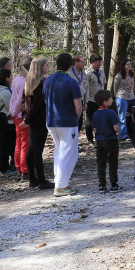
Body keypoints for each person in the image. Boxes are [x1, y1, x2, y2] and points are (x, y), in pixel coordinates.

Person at [43, 53, 83, 196]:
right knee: (69, 155)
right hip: (67, 121)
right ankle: (61, 186)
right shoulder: (72, 82)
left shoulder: (47, 81)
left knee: (59, 153)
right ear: (70, 65)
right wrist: (76, 119)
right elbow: (78, 107)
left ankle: (59, 182)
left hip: (51, 121)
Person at [23, 57, 52, 189]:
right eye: (46, 65)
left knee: (32, 149)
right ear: (40, 67)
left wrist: (27, 118)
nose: (48, 67)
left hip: (33, 120)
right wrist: (27, 119)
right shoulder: (41, 83)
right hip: (39, 120)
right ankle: (41, 181)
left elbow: (28, 104)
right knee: (37, 151)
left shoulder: (29, 81)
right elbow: (36, 105)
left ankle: (33, 180)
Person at [0, 69, 17, 174]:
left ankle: (2, 166)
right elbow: (12, 108)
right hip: (7, 123)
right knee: (7, 146)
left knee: (1, 144)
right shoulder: (4, 92)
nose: (12, 78)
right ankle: (5, 168)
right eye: (11, 76)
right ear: (6, 78)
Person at [92, 89, 121, 193]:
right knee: (112, 162)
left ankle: (102, 185)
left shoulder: (95, 114)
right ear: (105, 101)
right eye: (110, 99)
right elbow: (116, 128)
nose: (112, 100)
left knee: (101, 163)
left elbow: (94, 129)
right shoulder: (111, 113)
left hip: (99, 140)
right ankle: (114, 184)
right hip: (111, 139)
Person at [9, 57, 32, 178]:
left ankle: (19, 168)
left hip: (16, 115)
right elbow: (18, 100)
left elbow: (13, 97)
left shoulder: (17, 78)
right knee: (25, 144)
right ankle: (25, 170)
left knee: (19, 143)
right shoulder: (25, 81)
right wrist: (14, 112)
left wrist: (12, 111)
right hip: (21, 116)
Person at [85, 55, 105, 144]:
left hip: (100, 100)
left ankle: (99, 137)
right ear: (92, 62)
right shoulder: (87, 73)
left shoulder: (101, 72)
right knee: (90, 121)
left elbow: (103, 84)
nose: (100, 64)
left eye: (100, 62)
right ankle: (90, 139)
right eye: (98, 62)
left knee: (99, 120)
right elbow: (85, 87)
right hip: (91, 99)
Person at [113, 59, 134, 140]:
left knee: (130, 116)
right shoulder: (118, 76)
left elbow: (132, 86)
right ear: (123, 66)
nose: (129, 65)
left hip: (131, 97)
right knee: (122, 117)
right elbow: (115, 88)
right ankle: (122, 134)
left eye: (130, 64)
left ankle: (130, 133)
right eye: (127, 64)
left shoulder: (131, 75)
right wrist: (116, 97)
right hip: (122, 97)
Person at [69, 55, 89, 130]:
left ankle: (75, 139)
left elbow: (87, 89)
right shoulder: (69, 73)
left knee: (79, 123)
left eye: (84, 62)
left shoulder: (84, 75)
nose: (84, 64)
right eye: (82, 62)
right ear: (76, 62)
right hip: (71, 100)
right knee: (72, 122)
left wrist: (86, 102)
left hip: (80, 100)